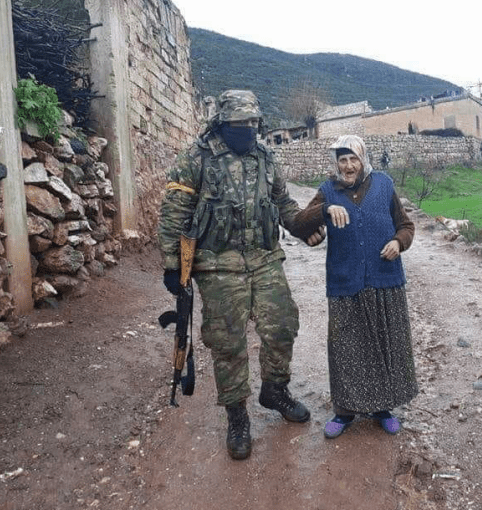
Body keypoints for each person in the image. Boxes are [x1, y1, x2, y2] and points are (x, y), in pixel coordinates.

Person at [158, 89, 324, 460]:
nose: (247, 129)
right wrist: (172, 265)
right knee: (227, 342)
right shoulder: (196, 159)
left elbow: (282, 203)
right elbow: (174, 214)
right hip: (217, 265)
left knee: (282, 326)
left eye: (252, 123)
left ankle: (274, 390)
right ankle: (237, 416)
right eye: (239, 123)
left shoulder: (264, 156)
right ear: (222, 123)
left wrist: (301, 226)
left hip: (264, 258)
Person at [291, 135, 418, 438]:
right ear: (336, 164)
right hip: (344, 282)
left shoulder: (384, 184)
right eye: (342, 159)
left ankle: (383, 408)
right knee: (346, 349)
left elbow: (407, 226)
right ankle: (344, 412)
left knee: (383, 345)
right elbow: (298, 226)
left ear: (363, 160)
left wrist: (398, 243)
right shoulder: (328, 191)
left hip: (384, 280)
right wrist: (323, 211)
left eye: (353, 159)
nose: (348, 166)